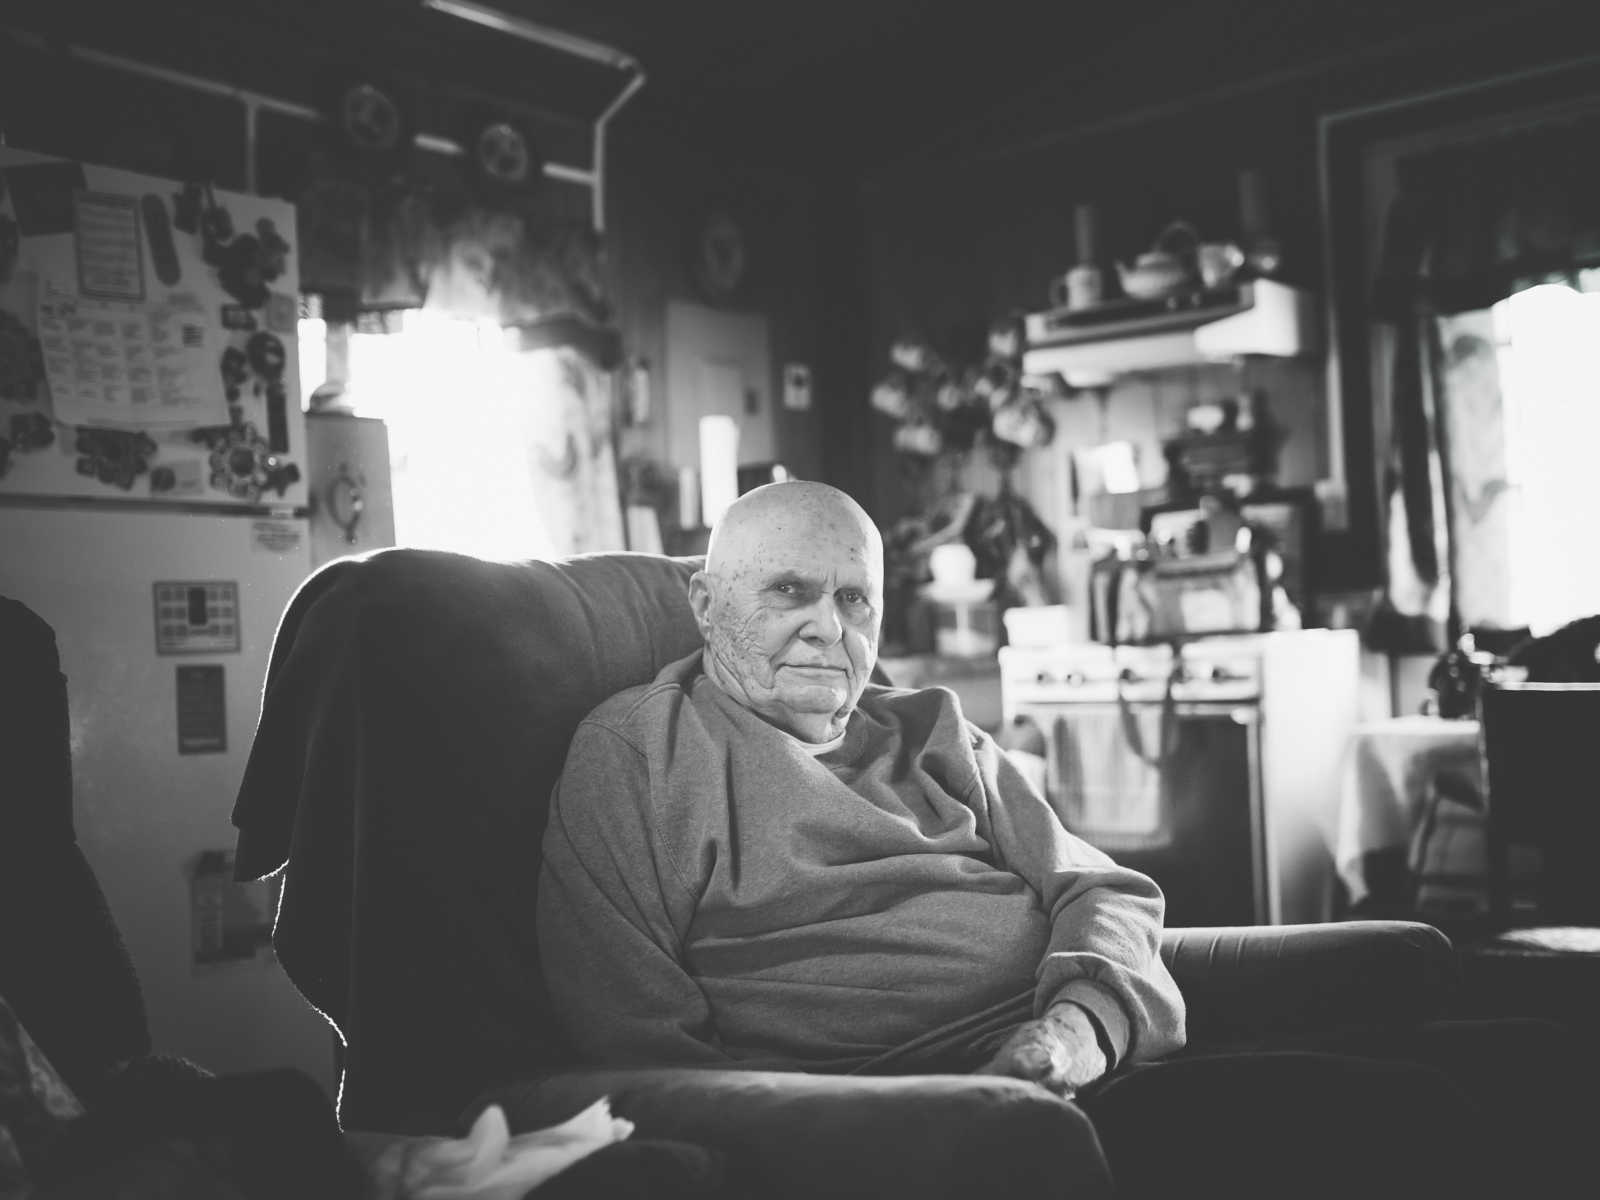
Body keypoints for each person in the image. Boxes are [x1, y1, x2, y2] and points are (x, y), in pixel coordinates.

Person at [537, 480, 1580, 1199]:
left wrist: (1072, 1030)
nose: (828, 626)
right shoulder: (635, 756)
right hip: (952, 1114)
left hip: (1082, 1048)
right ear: (703, 601)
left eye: (854, 598)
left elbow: (1106, 892)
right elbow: (641, 1050)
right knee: (1412, 1117)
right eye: (788, 593)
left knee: (1537, 1062)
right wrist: (923, 1117)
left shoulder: (929, 729)